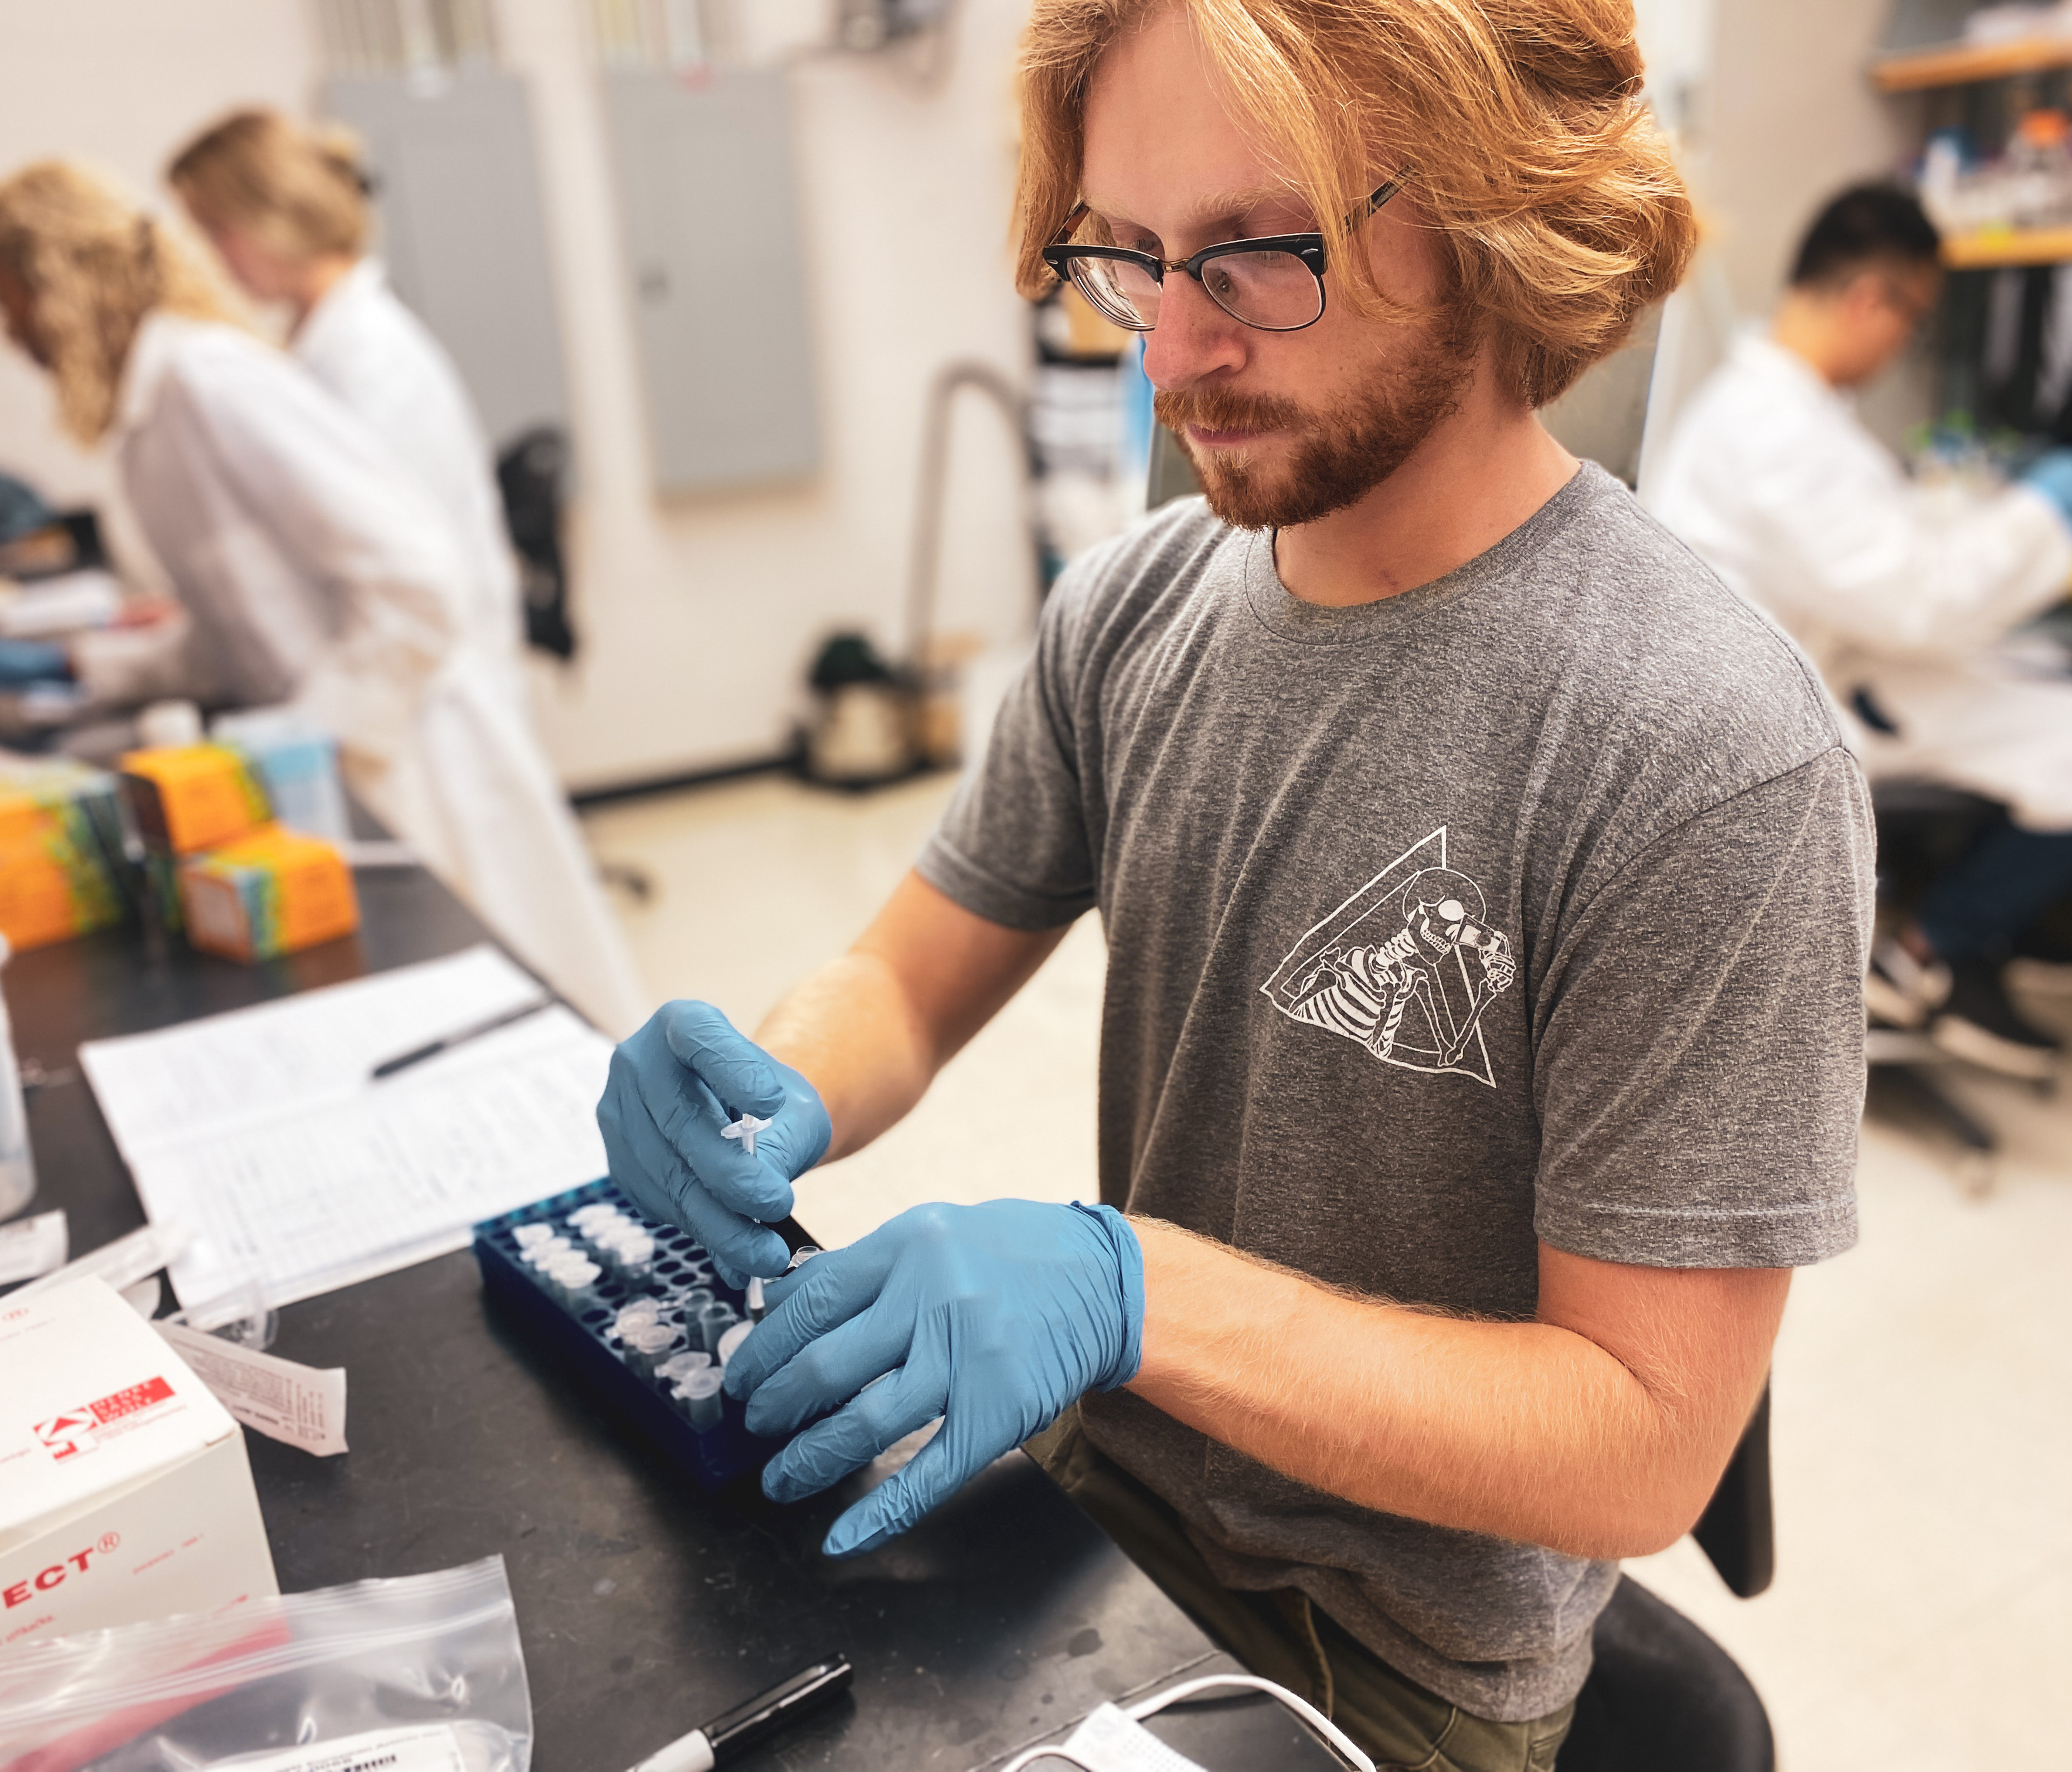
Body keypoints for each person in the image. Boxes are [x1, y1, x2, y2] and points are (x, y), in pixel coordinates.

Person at [594, 1, 1872, 1766]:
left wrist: (1134, 1292)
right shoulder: (1136, 609)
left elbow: (1644, 1442)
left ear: (1492, 207)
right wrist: (776, 1083)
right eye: (1130, 253)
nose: (1173, 350)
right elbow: (903, 977)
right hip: (1096, 1507)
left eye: (1260, 252)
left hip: (1381, 1659)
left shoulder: (1697, 747)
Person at [0, 161, 651, 1036]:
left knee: (519, 1032)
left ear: (53, 280)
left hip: (405, 758)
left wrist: (305, 744)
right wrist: (81, 666)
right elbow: (241, 628)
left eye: (7, 302)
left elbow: (416, 578)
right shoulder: (160, 402)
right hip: (340, 757)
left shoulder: (210, 381)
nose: (8, 332)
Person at [1648, 183, 2072, 1079]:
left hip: (1820, 668)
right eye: (1915, 323)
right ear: (1869, 301)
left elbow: (1883, 565)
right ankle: (1937, 945)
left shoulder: (1773, 410)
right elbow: (1917, 600)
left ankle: (1973, 934)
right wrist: (2045, 509)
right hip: (1804, 709)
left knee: (2056, 679)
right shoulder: (1778, 430)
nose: (1904, 346)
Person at [165, 109, 524, 677]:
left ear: (268, 215)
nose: (214, 259)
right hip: (384, 666)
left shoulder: (369, 359)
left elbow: (407, 568)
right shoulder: (317, 340)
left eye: (216, 232)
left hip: (435, 686)